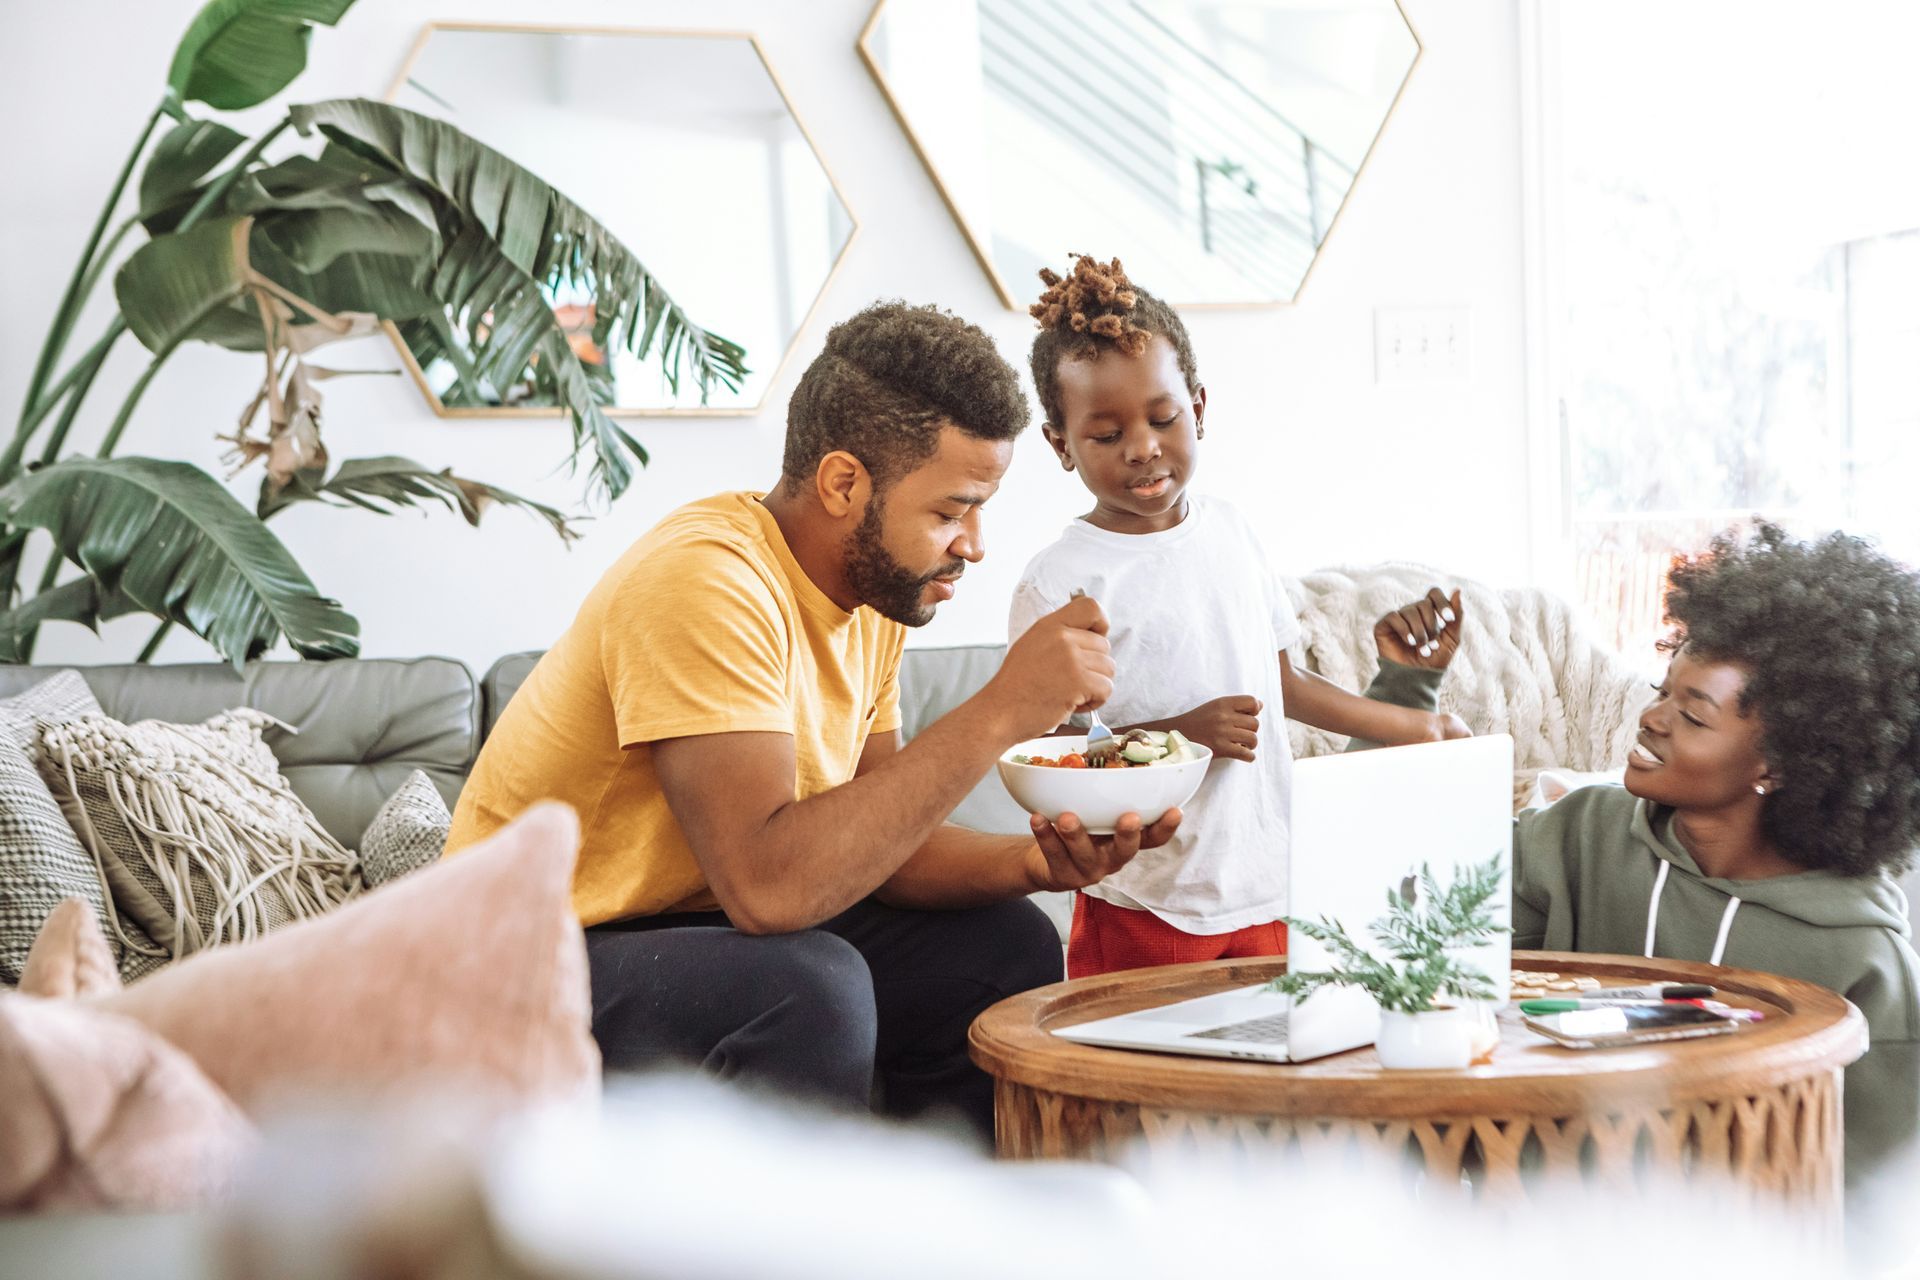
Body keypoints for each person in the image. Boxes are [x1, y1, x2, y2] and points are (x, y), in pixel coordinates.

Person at [444, 301, 1183, 1143]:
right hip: (515, 959)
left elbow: (879, 847)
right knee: (807, 985)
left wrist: (1038, 862)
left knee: (1002, 946)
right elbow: (769, 888)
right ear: (843, 484)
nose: (973, 544)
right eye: (951, 510)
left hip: (695, 926)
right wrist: (1005, 706)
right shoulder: (707, 583)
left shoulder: (874, 593)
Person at [1358, 522, 1920, 1190]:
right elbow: (1394, 918)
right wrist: (1401, 694)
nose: (1652, 719)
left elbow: (1873, 1199)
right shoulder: (1581, 837)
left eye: (1694, 714)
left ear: (1781, 763)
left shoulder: (1862, 957)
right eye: (1662, 692)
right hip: (1525, 1227)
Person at [1009, 254, 1468, 979]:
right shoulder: (1060, 581)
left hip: (1270, 889)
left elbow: (1279, 683)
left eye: (1163, 418)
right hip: (1148, 904)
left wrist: (1419, 726)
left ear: (1198, 408)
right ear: (1060, 444)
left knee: (1271, 1079)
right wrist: (1178, 739)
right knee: (1141, 1087)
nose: (1142, 447)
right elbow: (1050, 753)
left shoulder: (1232, 532)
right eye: (1105, 434)